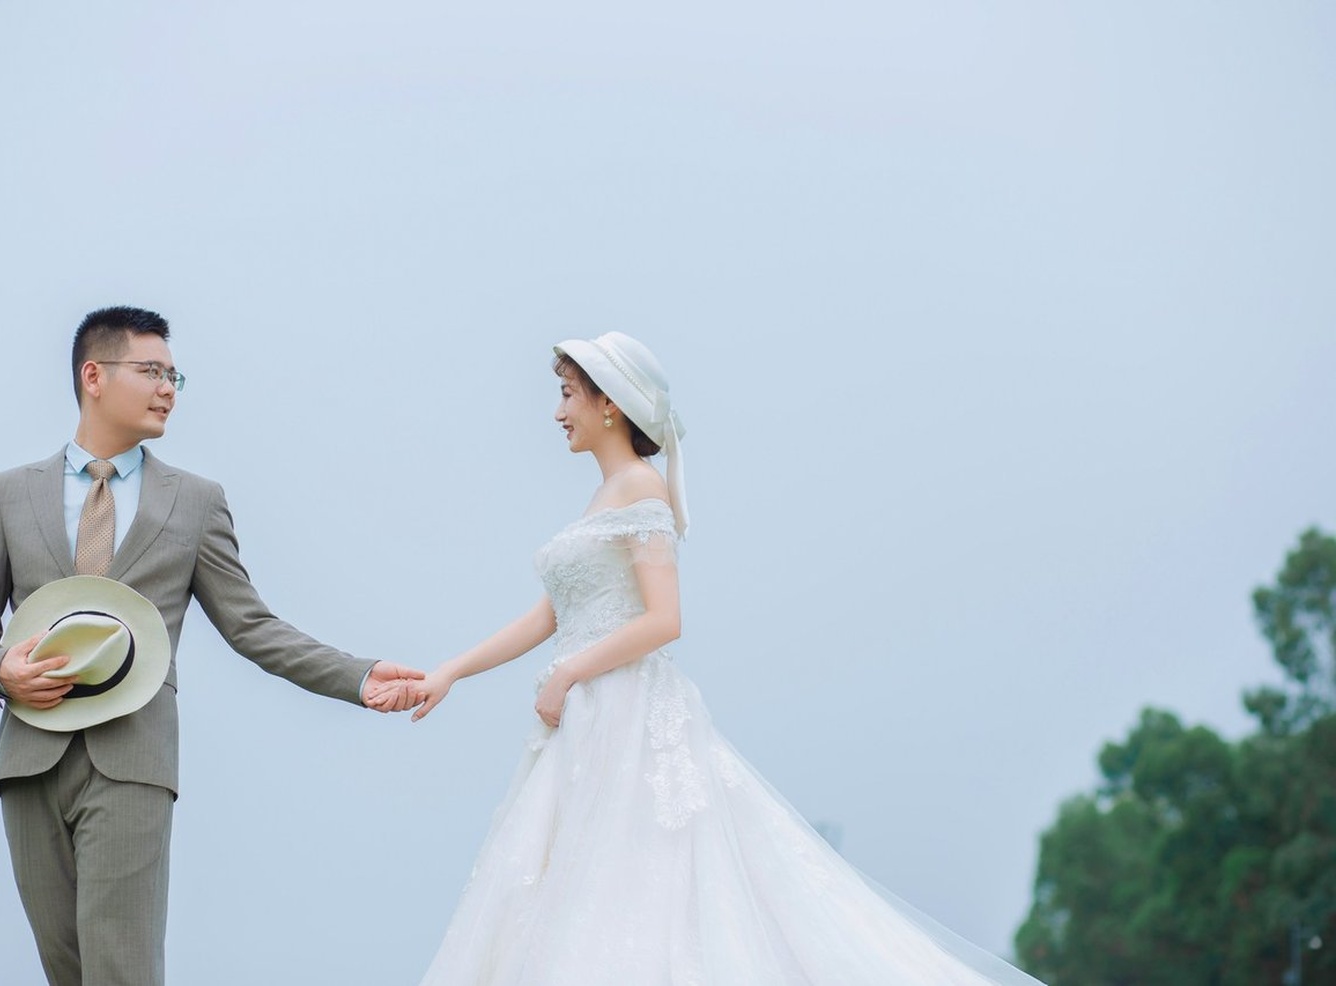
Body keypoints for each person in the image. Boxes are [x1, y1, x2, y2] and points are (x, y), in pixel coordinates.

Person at [408, 332, 1046, 985]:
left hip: (625, 714)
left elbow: (665, 620)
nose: (557, 412)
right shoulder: (606, 496)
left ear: (610, 404)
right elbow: (548, 617)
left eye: (569, 394)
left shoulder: (641, 488)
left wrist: (571, 671)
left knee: (636, 884)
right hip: (585, 721)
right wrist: (449, 672)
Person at [0, 306, 423, 986]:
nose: (168, 389)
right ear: (93, 377)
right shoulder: (7, 493)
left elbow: (251, 625)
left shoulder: (196, 501)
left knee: (122, 969)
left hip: (133, 759)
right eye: (151, 372)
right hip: (29, 758)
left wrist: (356, 675)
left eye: (174, 376)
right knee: (65, 970)